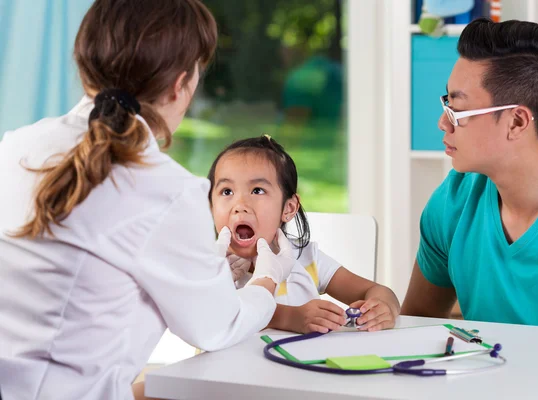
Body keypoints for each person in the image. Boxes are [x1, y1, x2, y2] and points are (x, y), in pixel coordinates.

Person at [0, 1, 295, 399]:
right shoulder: (168, 191)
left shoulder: (17, 145)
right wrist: (267, 278)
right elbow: (217, 327)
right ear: (180, 84)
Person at [401, 17, 538, 330]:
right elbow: (416, 323)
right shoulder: (453, 201)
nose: (443, 122)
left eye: (457, 108)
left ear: (517, 122)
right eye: (446, 101)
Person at [208, 135, 400, 334]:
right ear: (211, 206)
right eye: (227, 191)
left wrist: (383, 307)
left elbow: (378, 291)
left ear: (289, 208)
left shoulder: (306, 258)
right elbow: (215, 314)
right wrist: (289, 317)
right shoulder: (211, 267)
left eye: (257, 190)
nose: (240, 205)